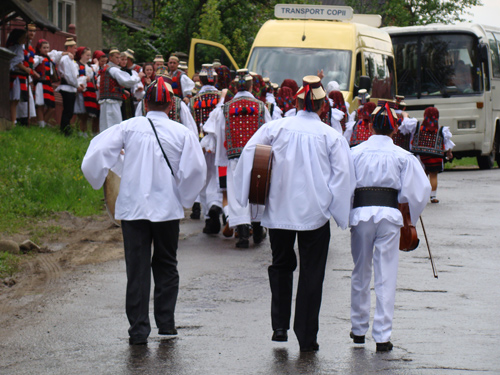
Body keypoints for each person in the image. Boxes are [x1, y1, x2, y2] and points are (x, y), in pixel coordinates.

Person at [233, 75, 355, 352]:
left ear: (297, 102)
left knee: (281, 265)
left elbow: (248, 154)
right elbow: (343, 177)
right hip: (315, 213)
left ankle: (279, 326)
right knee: (312, 273)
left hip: (279, 211)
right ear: (324, 107)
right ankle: (307, 335)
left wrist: (245, 202)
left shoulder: (275, 128)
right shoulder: (331, 136)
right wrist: (338, 213)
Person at [81, 76, 207, 346]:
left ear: (145, 102)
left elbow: (95, 153)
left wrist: (102, 175)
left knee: (136, 269)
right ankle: (166, 324)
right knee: (167, 264)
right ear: (171, 105)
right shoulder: (181, 132)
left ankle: (138, 330)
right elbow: (196, 171)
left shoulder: (128, 127)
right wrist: (184, 198)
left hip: (133, 210)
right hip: (167, 211)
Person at [349, 101, 431, 352]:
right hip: (390, 217)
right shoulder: (402, 156)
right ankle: (382, 336)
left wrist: (346, 214)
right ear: (394, 130)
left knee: (360, 271)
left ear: (371, 126)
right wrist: (410, 216)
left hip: (361, 215)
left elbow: (343, 185)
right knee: (386, 275)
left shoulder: (355, 152)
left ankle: (359, 329)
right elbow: (422, 190)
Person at [202, 69, 272, 248]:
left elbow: (221, 135)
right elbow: (269, 132)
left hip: (234, 157)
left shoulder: (225, 109)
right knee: (256, 190)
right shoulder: (261, 106)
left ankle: (242, 232)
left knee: (236, 192)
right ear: (251, 85)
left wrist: (222, 159)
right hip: (256, 156)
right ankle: (257, 229)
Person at [190, 64, 224, 233]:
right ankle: (218, 206)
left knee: (204, 178)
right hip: (219, 143)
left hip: (201, 143)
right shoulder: (221, 97)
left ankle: (210, 219)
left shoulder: (193, 100)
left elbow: (191, 126)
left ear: (200, 80)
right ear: (215, 79)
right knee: (219, 176)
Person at [411, 107, 454, 203]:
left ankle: (421, 195)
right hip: (436, 156)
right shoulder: (442, 129)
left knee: (422, 176)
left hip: (421, 155)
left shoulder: (418, 126)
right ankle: (433, 197)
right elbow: (447, 143)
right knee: (433, 176)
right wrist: (449, 152)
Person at [98, 47, 141, 132]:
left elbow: (111, 86)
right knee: (113, 125)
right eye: (117, 58)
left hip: (106, 100)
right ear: (110, 58)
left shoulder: (106, 68)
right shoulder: (113, 69)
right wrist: (138, 77)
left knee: (105, 125)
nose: (119, 60)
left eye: (119, 58)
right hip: (112, 101)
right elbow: (127, 81)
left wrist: (122, 91)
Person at [57, 37, 82, 135]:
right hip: (67, 87)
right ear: (69, 48)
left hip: (71, 88)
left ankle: (66, 128)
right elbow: (69, 75)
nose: (76, 50)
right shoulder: (66, 59)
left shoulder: (70, 60)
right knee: (68, 110)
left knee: (69, 110)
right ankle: (65, 129)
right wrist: (76, 85)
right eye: (74, 48)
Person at [16, 23, 39, 126]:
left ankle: (26, 119)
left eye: (34, 31)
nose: (32, 33)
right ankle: (20, 119)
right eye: (30, 31)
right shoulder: (21, 45)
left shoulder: (29, 46)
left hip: (27, 74)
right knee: (20, 98)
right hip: (19, 74)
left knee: (27, 98)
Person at [7, 29, 31, 125]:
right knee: (15, 99)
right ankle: (13, 121)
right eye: (23, 37)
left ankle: (13, 120)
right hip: (16, 76)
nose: (25, 39)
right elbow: (17, 62)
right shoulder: (17, 47)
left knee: (15, 99)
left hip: (13, 75)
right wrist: (26, 69)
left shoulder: (11, 46)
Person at [74, 47, 98, 135]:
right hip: (80, 91)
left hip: (88, 92)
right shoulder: (76, 65)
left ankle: (84, 132)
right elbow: (74, 77)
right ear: (81, 55)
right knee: (81, 113)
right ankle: (80, 132)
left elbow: (95, 69)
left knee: (86, 113)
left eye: (89, 55)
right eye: (87, 55)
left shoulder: (88, 67)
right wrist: (83, 80)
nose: (89, 57)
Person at [33, 39, 56, 128]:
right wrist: (36, 74)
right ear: (39, 49)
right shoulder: (37, 58)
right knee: (40, 104)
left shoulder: (49, 59)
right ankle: (41, 124)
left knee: (51, 106)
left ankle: (44, 123)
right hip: (40, 83)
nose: (46, 50)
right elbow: (31, 66)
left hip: (48, 84)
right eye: (44, 48)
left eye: (47, 48)